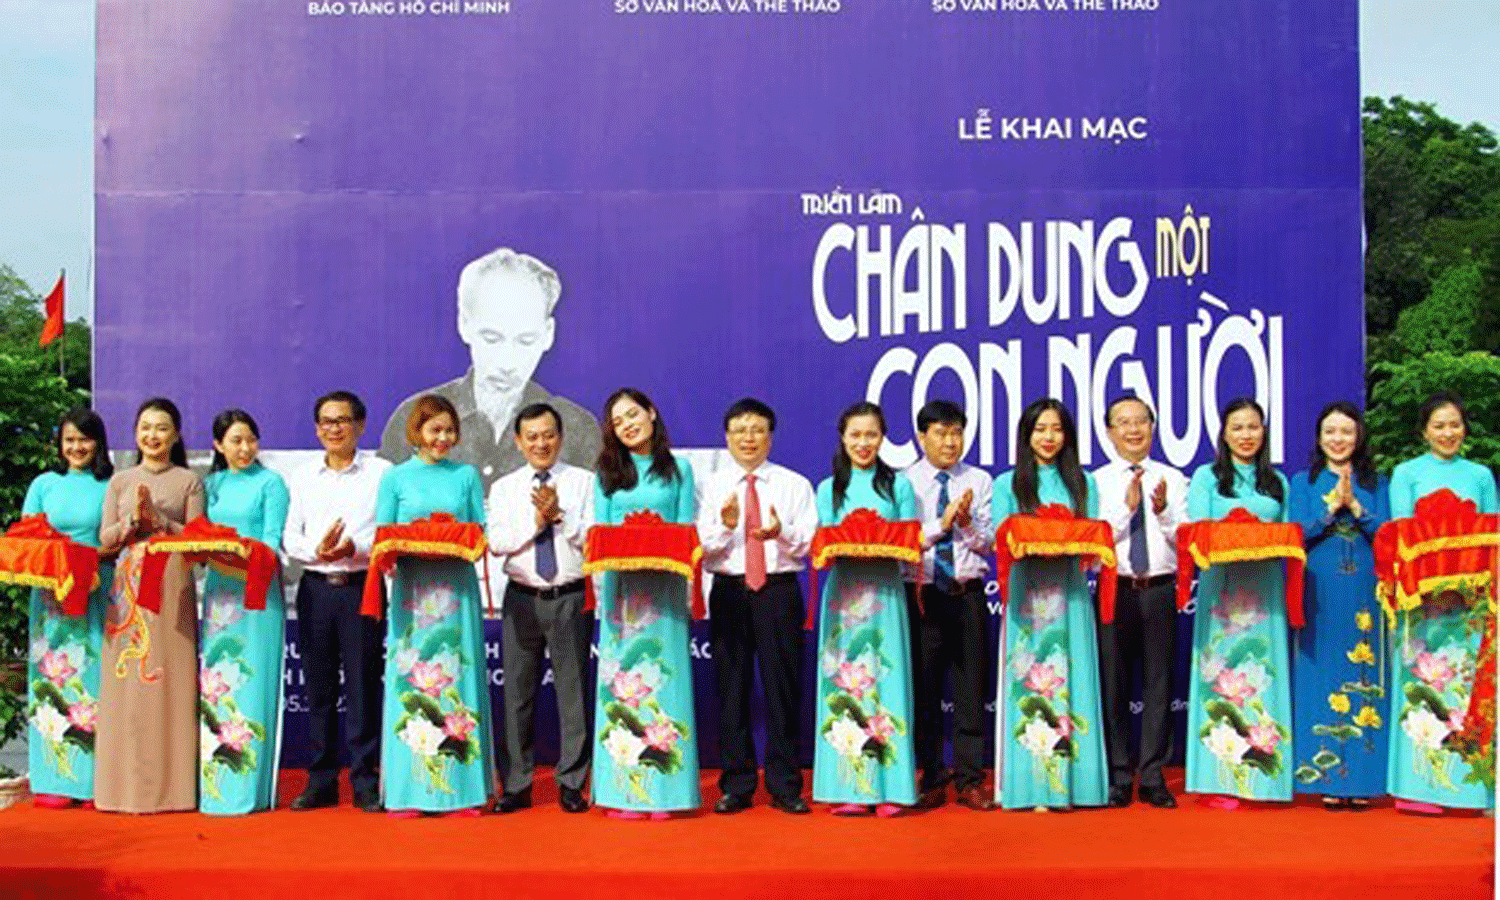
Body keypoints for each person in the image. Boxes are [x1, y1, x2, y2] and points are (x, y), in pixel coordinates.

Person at [380, 248, 600, 491]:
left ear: (548, 334)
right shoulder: (413, 415)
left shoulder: (577, 428)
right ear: (464, 324)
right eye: (492, 338)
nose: (507, 362)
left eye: (525, 341)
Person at [374, 394, 495, 817]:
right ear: (416, 432)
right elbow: (383, 535)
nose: (442, 438)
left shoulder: (465, 476)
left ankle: (463, 792)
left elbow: (480, 531)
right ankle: (409, 791)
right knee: (413, 680)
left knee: (455, 678)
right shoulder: (395, 478)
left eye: (448, 430)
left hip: (456, 592)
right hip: (411, 593)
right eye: (434, 430)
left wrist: (455, 537)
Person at [698, 398, 817, 816]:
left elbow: (808, 545)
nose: (748, 438)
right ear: (727, 437)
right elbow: (704, 550)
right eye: (740, 430)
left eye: (757, 430)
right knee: (732, 689)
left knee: (783, 688)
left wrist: (780, 534)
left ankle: (786, 785)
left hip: (779, 592)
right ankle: (737, 785)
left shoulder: (794, 484)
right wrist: (727, 526)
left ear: (771, 436)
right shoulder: (711, 486)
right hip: (730, 590)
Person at [991, 398, 1108, 811]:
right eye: (1040, 429)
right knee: (1031, 680)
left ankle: (1077, 785)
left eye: (1056, 429)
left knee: (1072, 678)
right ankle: (1032, 786)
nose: (1048, 437)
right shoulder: (1008, 483)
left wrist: (1063, 536)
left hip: (1071, 592)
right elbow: (1001, 537)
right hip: (1027, 595)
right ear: (1027, 435)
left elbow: (1091, 539)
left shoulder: (1083, 482)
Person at [1386, 391, 1498, 814]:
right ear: (1424, 432)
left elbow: (1491, 537)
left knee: (1467, 689)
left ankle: (1470, 790)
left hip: (1468, 606)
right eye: (1439, 426)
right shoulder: (1406, 473)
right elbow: (1401, 535)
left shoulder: (1481, 475)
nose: (1448, 433)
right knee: (1422, 689)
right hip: (1423, 605)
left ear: (1464, 428)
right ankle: (1419, 789)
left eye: (1455, 424)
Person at [591, 388, 700, 819]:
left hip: (666, 591)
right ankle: (623, 791)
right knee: (623, 684)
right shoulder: (607, 471)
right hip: (622, 595)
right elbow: (601, 529)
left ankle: (669, 792)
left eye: (633, 414)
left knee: (665, 682)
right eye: (618, 422)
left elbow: (685, 527)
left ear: (652, 413)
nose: (628, 425)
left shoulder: (679, 469)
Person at [95, 397, 205, 814]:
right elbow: (105, 537)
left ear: (175, 434)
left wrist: (163, 524)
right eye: (145, 427)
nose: (152, 436)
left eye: (161, 428)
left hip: (170, 586)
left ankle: (172, 791)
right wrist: (129, 526)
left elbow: (198, 537)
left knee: (169, 681)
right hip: (126, 591)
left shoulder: (189, 481)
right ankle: (120, 789)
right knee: (127, 683)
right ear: (136, 432)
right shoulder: (121, 480)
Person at [283, 391, 390, 813]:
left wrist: (353, 546)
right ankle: (321, 780)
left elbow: (388, 528)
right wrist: (317, 551)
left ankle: (365, 779)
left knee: (364, 684)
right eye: (326, 422)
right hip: (316, 588)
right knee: (319, 686)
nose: (334, 429)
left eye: (343, 421)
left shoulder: (382, 473)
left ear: (360, 426)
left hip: (362, 586)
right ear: (316, 429)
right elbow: (290, 536)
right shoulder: (304, 476)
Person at [486, 402, 595, 815]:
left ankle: (571, 784)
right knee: (516, 695)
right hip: (521, 597)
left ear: (561, 437)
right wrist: (536, 521)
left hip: (570, 594)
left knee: (573, 694)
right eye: (531, 437)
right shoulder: (506, 488)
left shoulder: (584, 482)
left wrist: (560, 515)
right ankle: (515, 785)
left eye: (548, 435)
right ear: (518, 441)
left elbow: (592, 538)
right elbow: (497, 542)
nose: (541, 443)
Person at [811, 401, 919, 817]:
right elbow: (825, 543)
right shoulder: (828, 488)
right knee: (845, 684)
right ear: (843, 437)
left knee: (886, 681)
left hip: (886, 594)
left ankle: (891, 787)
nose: (863, 443)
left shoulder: (898, 486)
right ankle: (851, 787)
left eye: (871, 435)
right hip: (844, 596)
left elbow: (910, 541)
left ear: (882, 437)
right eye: (855, 435)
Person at [1184, 397, 1293, 808]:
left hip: (1265, 589)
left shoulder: (1276, 482)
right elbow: (1198, 528)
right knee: (1222, 674)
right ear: (1224, 434)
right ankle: (1219, 778)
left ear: (1264, 432)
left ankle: (1266, 778)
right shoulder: (1206, 477)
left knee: (1261, 672)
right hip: (1222, 593)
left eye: (1253, 427)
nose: (1246, 435)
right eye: (1238, 428)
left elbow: (1286, 534)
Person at [1288, 401, 1389, 810]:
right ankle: (1324, 777)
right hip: (1318, 588)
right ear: (1319, 437)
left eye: (1346, 432)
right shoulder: (1301, 482)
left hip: (1366, 587)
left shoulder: (1377, 480)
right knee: (1321, 674)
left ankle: (1364, 780)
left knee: (1363, 672)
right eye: (1330, 432)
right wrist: (1331, 511)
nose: (1338, 439)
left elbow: (1390, 533)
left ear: (1359, 436)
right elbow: (1293, 532)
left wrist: (1359, 509)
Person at [1092, 396, 1188, 809]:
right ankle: (1117, 775)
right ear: (1109, 431)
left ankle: (1151, 775)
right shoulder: (1095, 482)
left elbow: (1184, 540)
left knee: (1158, 682)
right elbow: (1093, 543)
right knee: (1112, 682)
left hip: (1161, 586)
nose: (1133, 430)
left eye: (1140, 422)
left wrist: (1162, 512)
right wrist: (1124, 511)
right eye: (1123, 423)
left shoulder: (1174, 478)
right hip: (1116, 586)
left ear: (1153, 426)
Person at [902, 399, 996, 811]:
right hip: (922, 593)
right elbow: (907, 540)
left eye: (956, 432)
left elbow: (988, 543)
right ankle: (931, 776)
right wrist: (941, 525)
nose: (950, 441)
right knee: (923, 691)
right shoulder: (904, 482)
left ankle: (971, 780)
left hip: (968, 593)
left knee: (971, 689)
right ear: (922, 437)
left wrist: (966, 521)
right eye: (940, 433)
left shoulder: (979, 480)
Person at [198, 410, 290, 814]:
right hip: (219, 595)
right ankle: (216, 786)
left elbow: (270, 541)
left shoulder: (271, 484)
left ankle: (251, 790)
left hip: (257, 592)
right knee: (217, 684)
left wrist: (240, 552)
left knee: (252, 683)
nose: (245, 448)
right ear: (218, 445)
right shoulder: (210, 485)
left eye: (251, 439)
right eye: (235, 441)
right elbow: (197, 535)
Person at [21, 408, 114, 809]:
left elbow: (116, 539)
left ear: (99, 443)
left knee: (96, 679)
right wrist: (58, 567)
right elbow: (28, 535)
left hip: (96, 589)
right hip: (51, 595)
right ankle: (54, 777)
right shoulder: (44, 484)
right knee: (53, 679)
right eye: (69, 440)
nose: (77, 447)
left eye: (85, 439)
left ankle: (96, 779)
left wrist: (86, 560)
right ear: (59, 444)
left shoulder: (112, 486)